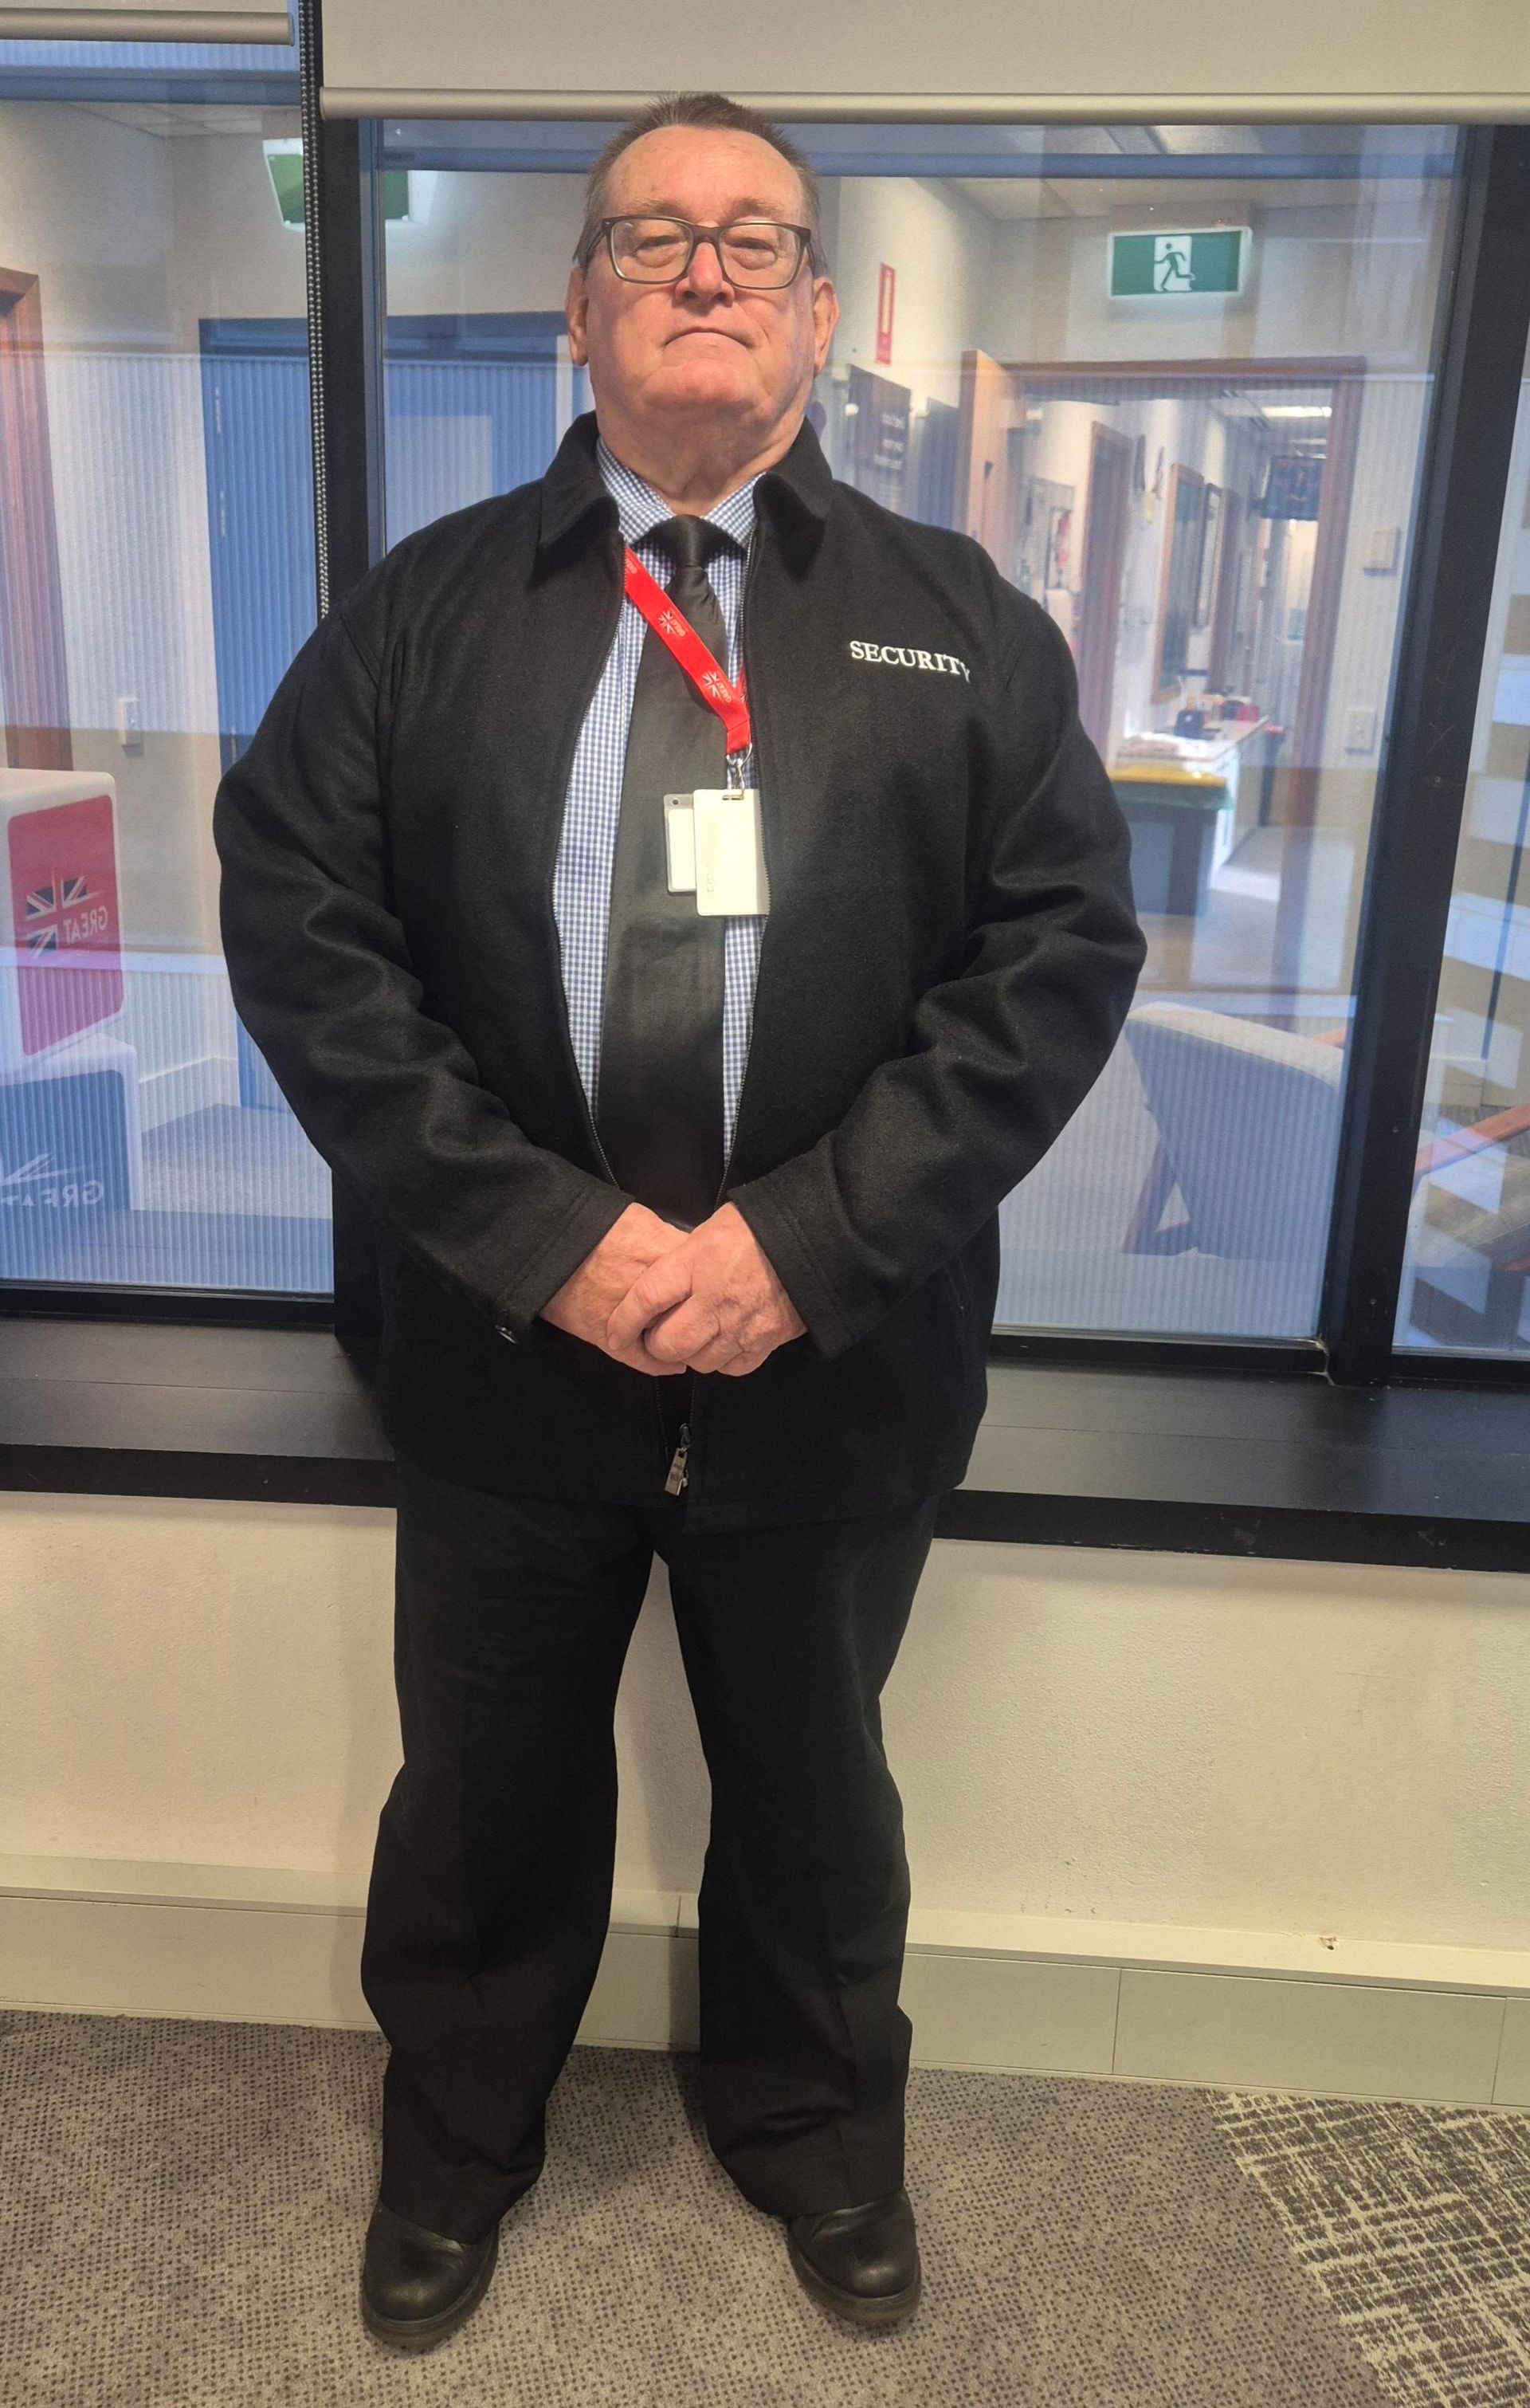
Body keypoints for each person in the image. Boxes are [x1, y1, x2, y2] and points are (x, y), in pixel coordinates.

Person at [213, 89, 1146, 2353]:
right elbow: (303, 931)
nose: (704, 270)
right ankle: (455, 2143)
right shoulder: (423, 614)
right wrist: (552, 1239)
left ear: (821, 308)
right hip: (506, 1357)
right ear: (580, 306)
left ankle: (817, 2132)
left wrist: (800, 1249)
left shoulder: (961, 626)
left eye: (752, 239)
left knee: (820, 1801)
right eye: (652, 238)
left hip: (836, 1366)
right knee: (485, 1798)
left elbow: (1057, 961)